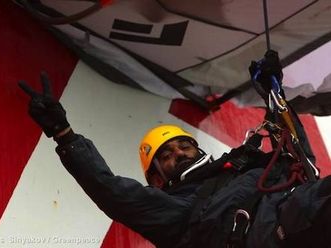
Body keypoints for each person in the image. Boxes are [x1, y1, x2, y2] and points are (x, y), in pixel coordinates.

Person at [19, 51, 331, 248]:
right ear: (156, 180)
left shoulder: (247, 167)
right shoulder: (174, 211)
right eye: (165, 156)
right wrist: (65, 136)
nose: (179, 153)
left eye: (183, 145)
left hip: (308, 209)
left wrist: (273, 91)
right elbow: (113, 193)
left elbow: (301, 162)